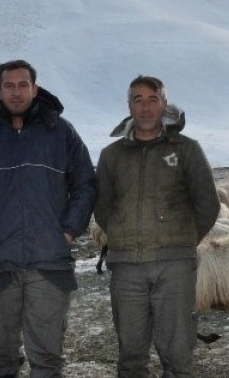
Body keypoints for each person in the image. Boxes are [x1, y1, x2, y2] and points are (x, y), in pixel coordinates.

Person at [0, 59, 97, 378]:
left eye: (23, 85)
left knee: (46, 356)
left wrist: (68, 232)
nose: (16, 92)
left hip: (48, 263)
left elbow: (85, 183)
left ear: (35, 89)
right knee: (2, 357)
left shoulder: (60, 133)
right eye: (9, 86)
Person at [94, 75, 220, 378]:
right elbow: (102, 208)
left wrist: (182, 241)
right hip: (127, 268)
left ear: (164, 104)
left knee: (177, 354)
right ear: (129, 106)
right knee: (131, 355)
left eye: (153, 99)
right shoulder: (111, 156)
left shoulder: (187, 149)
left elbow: (208, 204)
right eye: (138, 100)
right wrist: (124, 235)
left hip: (174, 267)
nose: (146, 107)